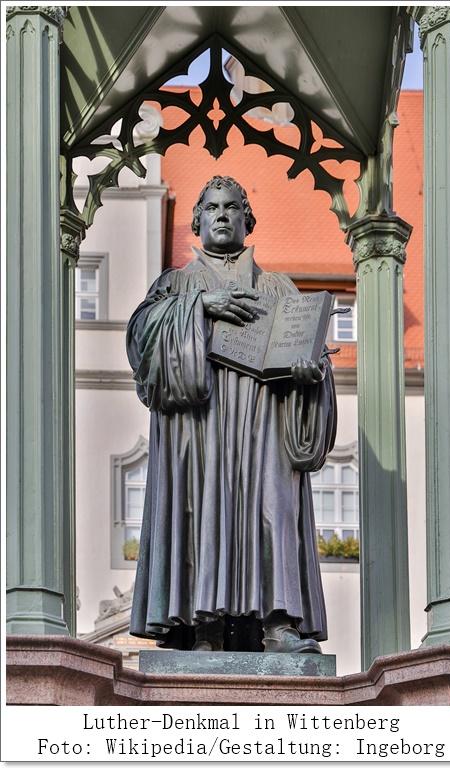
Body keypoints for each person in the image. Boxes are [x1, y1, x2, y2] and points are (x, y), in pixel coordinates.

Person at [127, 175, 337, 653]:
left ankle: (279, 624)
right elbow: (142, 343)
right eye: (212, 208)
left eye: (232, 207)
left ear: (248, 219)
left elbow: (309, 353)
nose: (222, 214)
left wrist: (311, 376)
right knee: (197, 512)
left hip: (263, 424)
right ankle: (198, 629)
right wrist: (201, 306)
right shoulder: (176, 284)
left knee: (273, 511)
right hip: (198, 425)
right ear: (197, 222)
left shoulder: (279, 287)